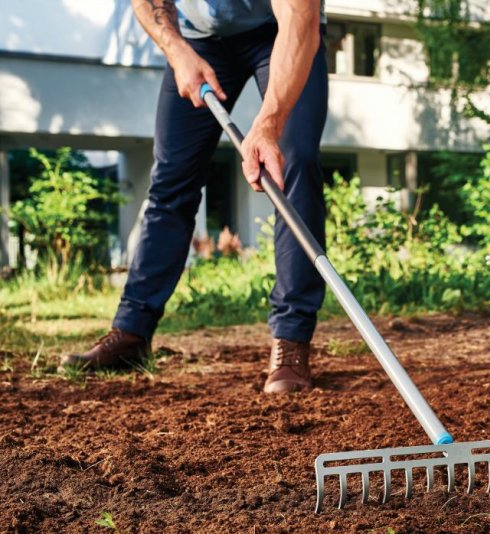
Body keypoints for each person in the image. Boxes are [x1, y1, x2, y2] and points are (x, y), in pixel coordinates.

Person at [61, 0, 328, 394]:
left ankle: (291, 340)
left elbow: (299, 19)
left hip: (282, 30)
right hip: (200, 38)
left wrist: (268, 124)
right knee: (171, 177)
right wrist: (176, 50)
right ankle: (131, 332)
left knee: (293, 163)